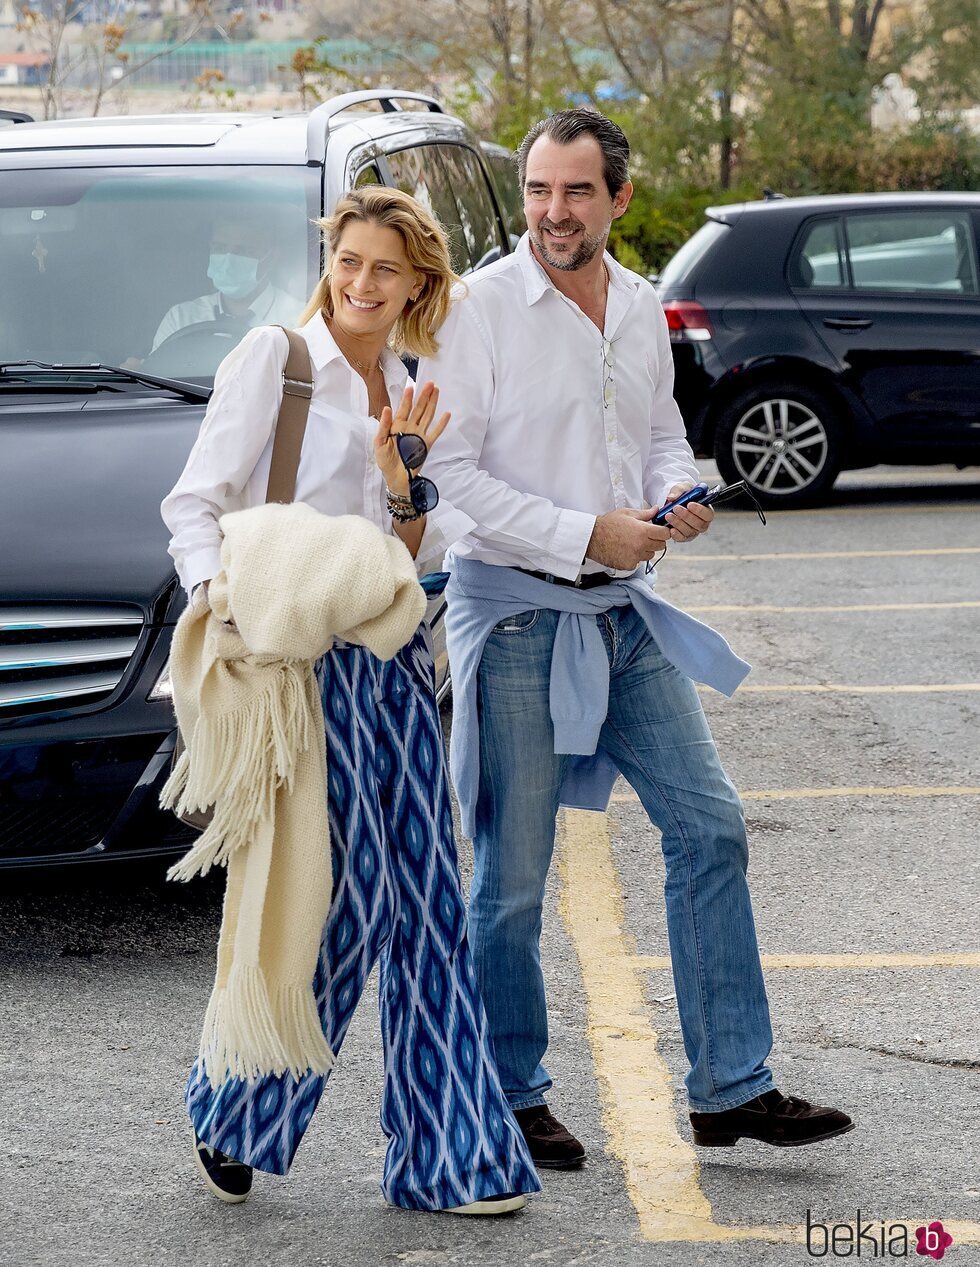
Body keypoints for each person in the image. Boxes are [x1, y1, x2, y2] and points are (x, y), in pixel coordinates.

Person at [418, 109, 854, 1167]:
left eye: (574, 192)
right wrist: (583, 530)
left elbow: (659, 434)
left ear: (616, 196)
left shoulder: (640, 303)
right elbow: (452, 473)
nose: (551, 212)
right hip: (514, 609)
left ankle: (728, 1087)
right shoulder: (477, 309)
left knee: (708, 827)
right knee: (510, 876)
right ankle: (508, 1091)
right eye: (535, 190)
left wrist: (672, 494)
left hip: (625, 610)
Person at [161, 186, 539, 1214]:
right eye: (347, 260)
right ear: (329, 262)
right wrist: (222, 606)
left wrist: (403, 481)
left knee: (427, 905)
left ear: (419, 281)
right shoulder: (275, 364)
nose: (361, 284)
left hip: (394, 663)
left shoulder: (413, 383)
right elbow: (193, 505)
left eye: (385, 268)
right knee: (348, 896)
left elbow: (408, 552)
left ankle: (452, 1157)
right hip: (299, 669)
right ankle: (236, 1106)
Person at [151, 208, 304, 353]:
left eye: (243, 251)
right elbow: (156, 373)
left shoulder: (299, 321)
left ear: (271, 258)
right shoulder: (181, 318)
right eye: (220, 248)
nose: (229, 260)